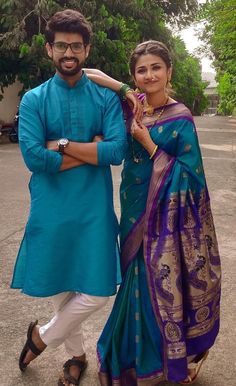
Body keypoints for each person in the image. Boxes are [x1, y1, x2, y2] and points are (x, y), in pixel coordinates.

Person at [85, 40, 221, 385]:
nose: (149, 75)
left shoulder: (181, 117)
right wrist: (125, 89)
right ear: (134, 76)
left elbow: (193, 178)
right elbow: (91, 74)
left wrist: (148, 143)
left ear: (169, 71)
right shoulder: (133, 106)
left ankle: (159, 359)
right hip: (132, 202)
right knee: (132, 273)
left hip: (164, 213)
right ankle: (131, 355)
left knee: (152, 280)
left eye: (156, 67)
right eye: (141, 70)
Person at [10, 9, 128, 386]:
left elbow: (115, 152)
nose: (69, 52)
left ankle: (41, 337)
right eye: (61, 45)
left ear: (87, 48)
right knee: (63, 290)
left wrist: (60, 146)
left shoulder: (104, 98)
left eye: (76, 45)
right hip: (50, 209)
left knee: (96, 292)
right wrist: (85, 151)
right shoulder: (33, 100)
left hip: (93, 209)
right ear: (49, 49)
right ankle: (76, 356)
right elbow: (33, 158)